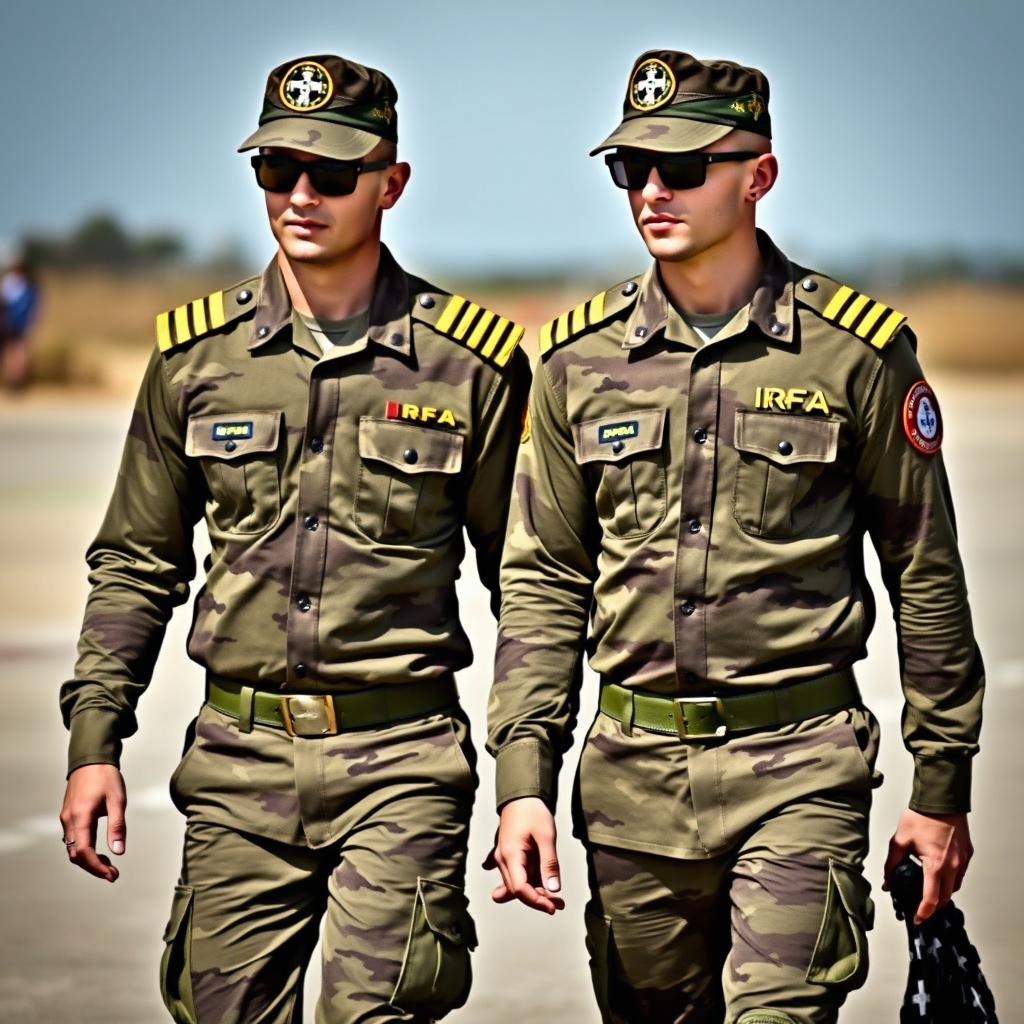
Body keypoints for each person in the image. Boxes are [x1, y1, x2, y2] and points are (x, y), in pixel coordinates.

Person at [485, 50, 983, 1023]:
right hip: (631, 784)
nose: (652, 191)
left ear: (758, 174)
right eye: (632, 169)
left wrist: (939, 785)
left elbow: (923, 570)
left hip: (799, 768)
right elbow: (543, 580)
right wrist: (522, 780)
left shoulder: (855, 352)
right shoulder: (575, 361)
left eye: (682, 167)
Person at [59, 53, 530, 1023]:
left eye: (331, 174)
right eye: (277, 170)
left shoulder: (469, 366)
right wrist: (94, 739)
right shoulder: (195, 359)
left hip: (401, 760)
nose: (300, 195)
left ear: (391, 183)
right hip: (239, 765)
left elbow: (524, 581)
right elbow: (137, 562)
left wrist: (526, 775)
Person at [0, 256, 40, 389]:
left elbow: (35, 307)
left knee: (18, 352)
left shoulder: (28, 286)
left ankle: (16, 381)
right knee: (13, 352)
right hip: (10, 323)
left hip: (18, 323)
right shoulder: (13, 284)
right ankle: (13, 380)